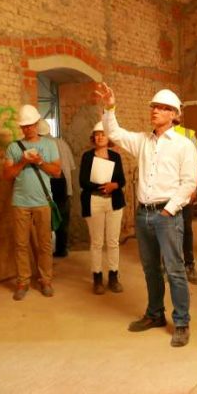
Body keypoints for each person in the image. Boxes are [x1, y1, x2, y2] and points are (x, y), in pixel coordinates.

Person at [95, 83, 197, 348]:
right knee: (151, 269)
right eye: (154, 106)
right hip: (143, 214)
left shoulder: (184, 145)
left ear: (175, 115)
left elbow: (188, 183)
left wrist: (168, 210)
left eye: (162, 108)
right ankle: (155, 314)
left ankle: (182, 321)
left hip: (167, 215)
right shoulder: (142, 141)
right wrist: (109, 107)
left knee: (174, 270)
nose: (155, 111)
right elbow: (113, 132)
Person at [3, 104, 61, 301]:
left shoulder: (49, 145)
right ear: (21, 127)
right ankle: (23, 281)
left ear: (37, 124)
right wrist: (23, 162)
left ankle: (45, 280)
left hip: (43, 201)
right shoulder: (13, 147)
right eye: (24, 126)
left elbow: (57, 171)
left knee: (44, 243)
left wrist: (39, 162)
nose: (28, 128)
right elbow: (7, 175)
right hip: (20, 202)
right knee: (20, 244)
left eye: (31, 125)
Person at [79, 121, 126, 294]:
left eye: (103, 134)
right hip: (94, 200)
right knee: (97, 242)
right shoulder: (87, 157)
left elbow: (122, 180)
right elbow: (83, 181)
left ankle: (113, 276)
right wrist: (102, 187)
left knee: (113, 241)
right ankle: (97, 278)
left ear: (108, 138)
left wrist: (114, 185)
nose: (100, 137)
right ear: (93, 137)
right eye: (97, 134)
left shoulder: (115, 157)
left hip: (113, 201)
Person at [36, 120, 76, 258]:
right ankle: (61, 249)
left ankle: (45, 252)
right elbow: (71, 167)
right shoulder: (62, 143)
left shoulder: (41, 145)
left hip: (50, 190)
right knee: (63, 221)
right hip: (66, 190)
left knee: (46, 222)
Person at [173, 115, 197, 285]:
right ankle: (168, 266)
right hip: (166, 192)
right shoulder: (156, 135)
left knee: (185, 228)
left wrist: (194, 188)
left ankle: (189, 265)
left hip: (184, 191)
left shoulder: (188, 135)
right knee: (166, 230)